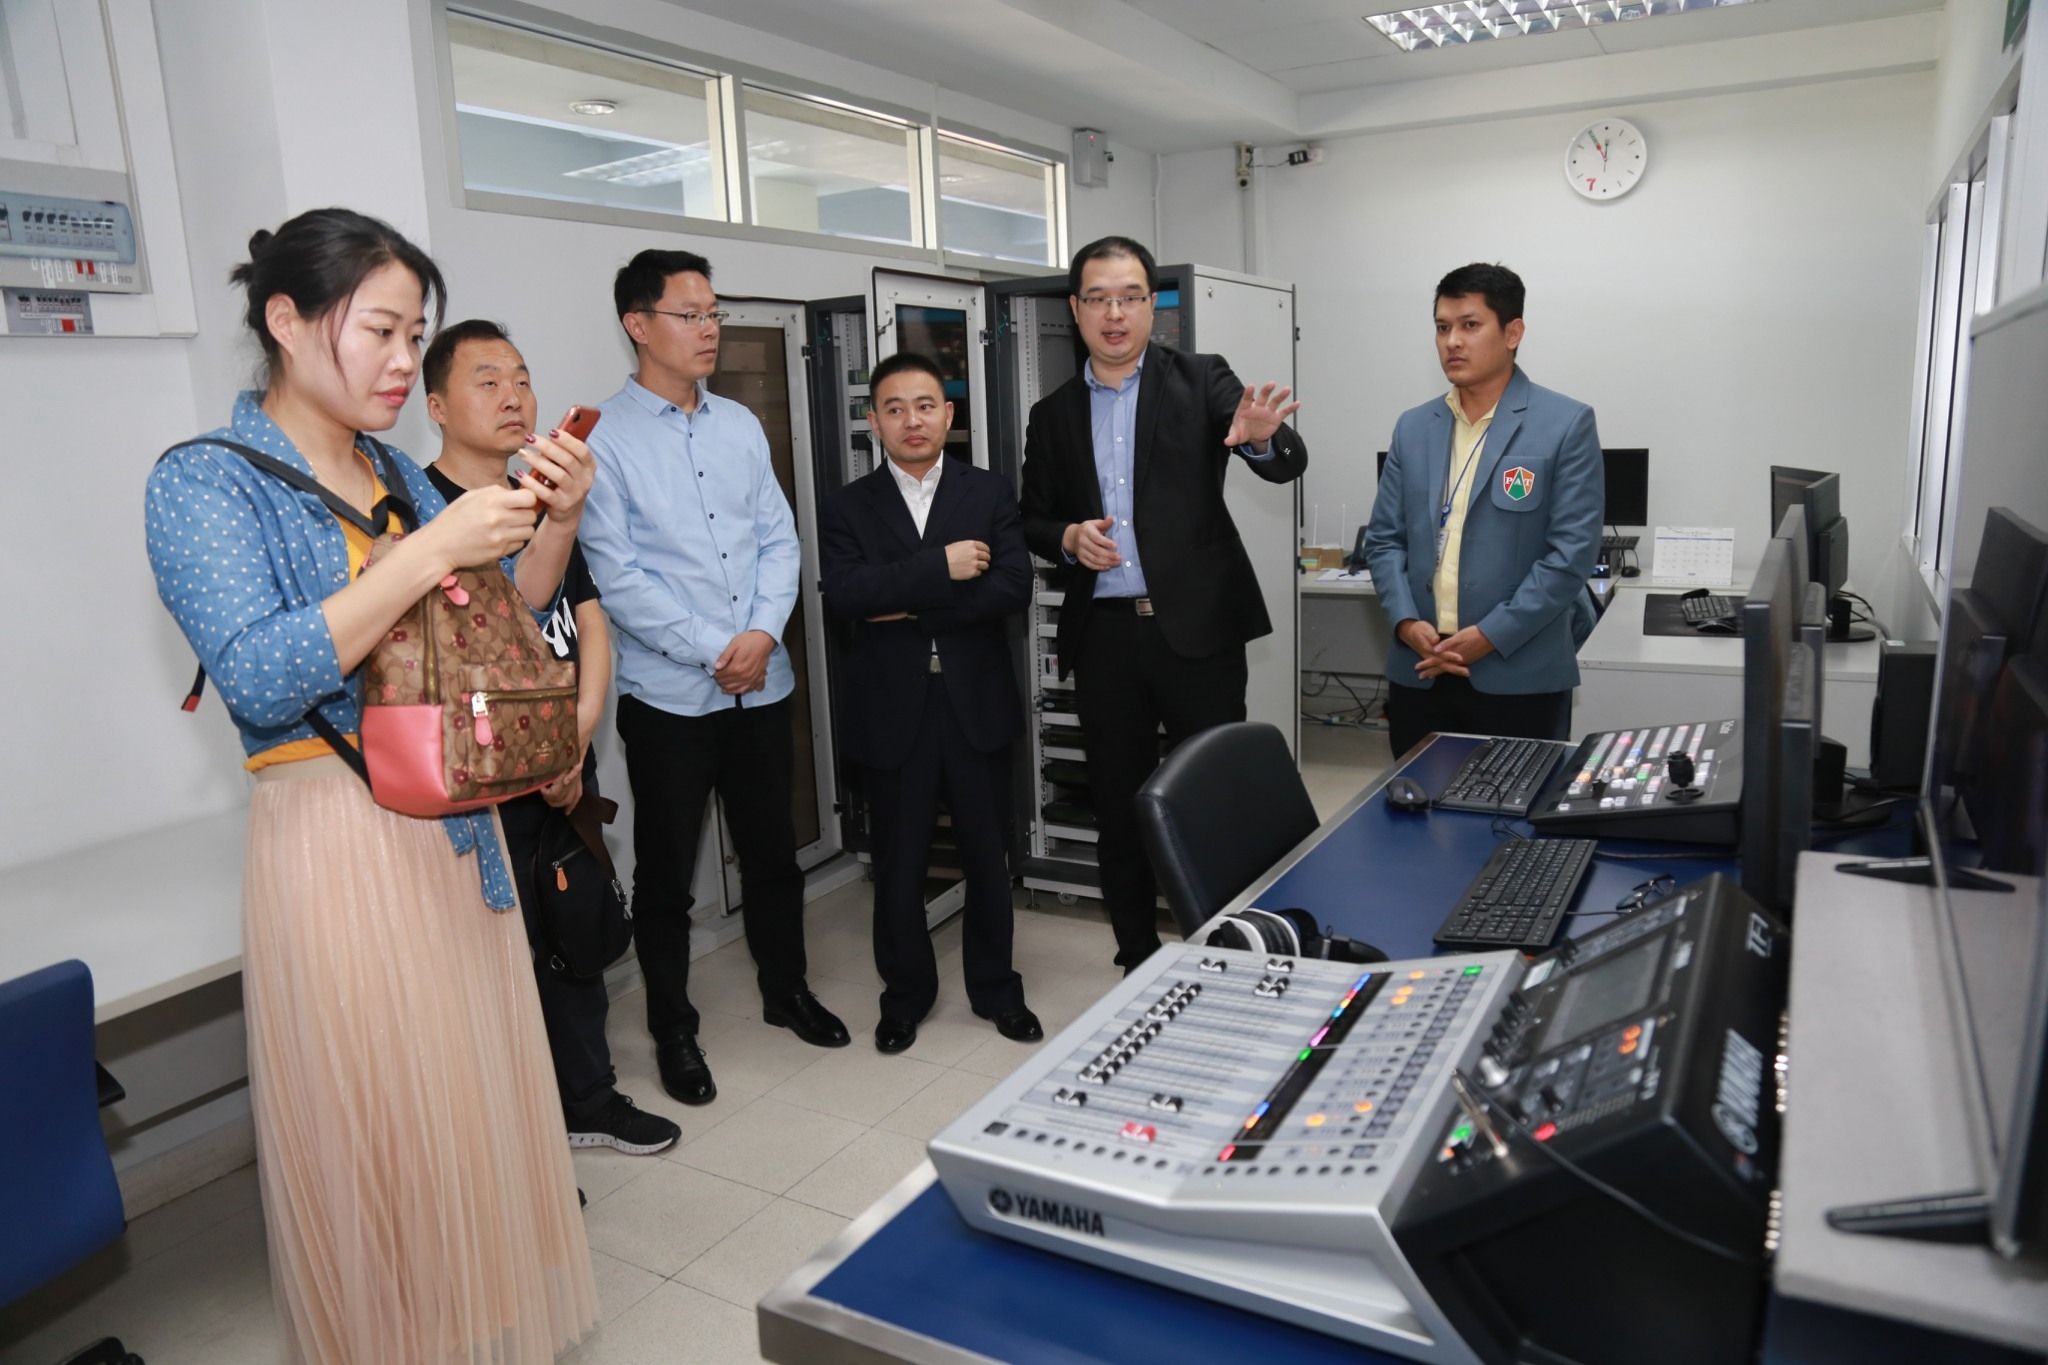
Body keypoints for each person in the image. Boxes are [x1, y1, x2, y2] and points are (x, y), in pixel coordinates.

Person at [144, 209, 596, 1362]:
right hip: (339, 840)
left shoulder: (396, 470)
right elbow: (258, 673)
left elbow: (500, 626)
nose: (404, 361)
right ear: (287, 322)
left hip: (456, 829)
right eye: (380, 331)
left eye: (413, 334)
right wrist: (428, 551)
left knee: (469, 1114)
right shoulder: (205, 481)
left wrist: (555, 521)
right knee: (385, 1128)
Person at [580, 248, 849, 1107]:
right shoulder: (601, 441)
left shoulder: (737, 425)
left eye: (713, 313)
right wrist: (716, 648)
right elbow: (618, 578)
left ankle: (786, 989)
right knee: (666, 877)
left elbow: (779, 537)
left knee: (773, 855)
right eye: (690, 314)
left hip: (761, 684)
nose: (709, 329)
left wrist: (762, 635)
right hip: (669, 699)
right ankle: (673, 1027)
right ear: (638, 324)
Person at [422, 318, 682, 1156]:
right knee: (499, 962)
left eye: (522, 378)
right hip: (484, 784)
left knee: (578, 936)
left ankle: (590, 1100)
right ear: (435, 405)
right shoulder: (424, 514)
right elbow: (470, 655)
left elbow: (588, 621)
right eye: (487, 380)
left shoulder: (539, 498)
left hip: (563, 767)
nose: (514, 395)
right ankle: (521, 1138)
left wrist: (573, 739)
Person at [1019, 235, 1307, 973]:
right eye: (1098, 299)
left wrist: (1260, 442)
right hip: (1106, 639)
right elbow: (1030, 518)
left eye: (1130, 297)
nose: (1114, 314)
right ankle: (1137, 954)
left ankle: (1228, 948)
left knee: (1213, 796)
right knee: (1119, 805)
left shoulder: (1202, 379)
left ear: (1153, 306)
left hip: (1198, 635)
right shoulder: (1053, 414)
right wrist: (1067, 537)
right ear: (1076, 309)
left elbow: (1284, 461)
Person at [819, 351, 1041, 1054]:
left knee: (988, 858)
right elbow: (846, 596)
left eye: (924, 406)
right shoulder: (848, 505)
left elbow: (1012, 587)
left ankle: (998, 990)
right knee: (899, 864)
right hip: (893, 710)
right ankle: (905, 998)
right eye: (894, 408)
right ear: (873, 421)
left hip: (976, 705)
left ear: (948, 415)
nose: (911, 420)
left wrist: (907, 602)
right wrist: (941, 569)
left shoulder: (989, 491)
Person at [1363, 263, 1603, 758]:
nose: (1452, 341)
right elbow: (1384, 540)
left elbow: (1570, 557)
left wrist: (1490, 636)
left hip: (1517, 675)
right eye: (1442, 327)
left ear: (1512, 333)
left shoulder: (1565, 423)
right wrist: (1405, 622)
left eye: (1470, 325)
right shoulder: (1413, 427)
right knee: (1415, 799)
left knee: (1517, 804)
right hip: (1421, 669)